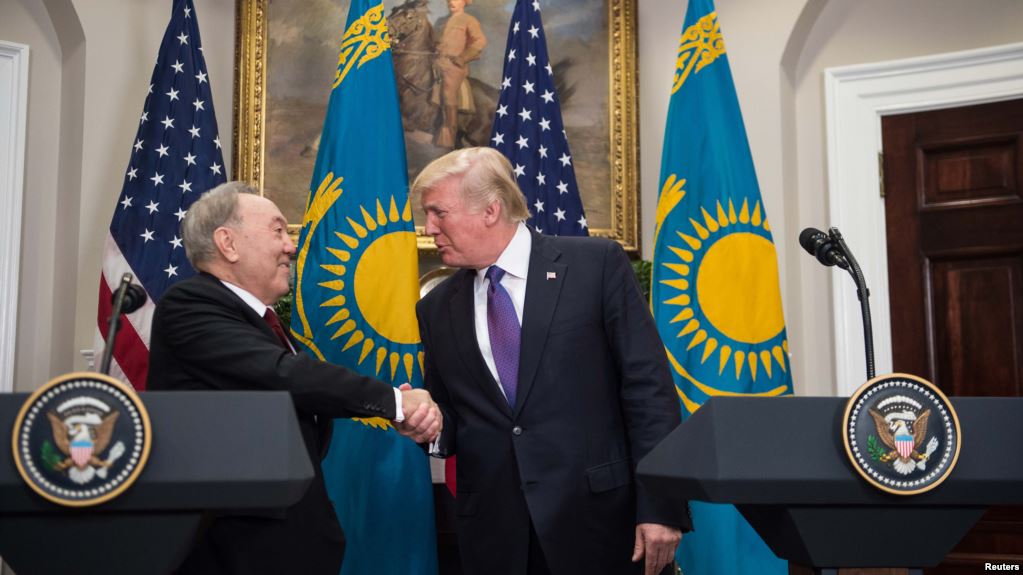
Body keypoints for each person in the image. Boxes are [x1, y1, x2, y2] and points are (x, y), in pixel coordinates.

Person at [412, 147, 690, 575]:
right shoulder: (436, 308)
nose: (429, 227)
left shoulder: (595, 266)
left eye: (438, 213)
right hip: (495, 537)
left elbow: (648, 392)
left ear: (490, 210)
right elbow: (454, 416)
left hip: (599, 526)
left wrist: (661, 506)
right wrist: (427, 422)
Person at [147, 182, 440, 575]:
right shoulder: (190, 305)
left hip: (284, 538)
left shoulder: (261, 322)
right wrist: (397, 403)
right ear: (228, 243)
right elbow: (283, 374)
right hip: (235, 546)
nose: (291, 246)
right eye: (278, 230)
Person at [433, 0, 486, 148]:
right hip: (436, 62)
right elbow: (433, 41)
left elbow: (480, 41)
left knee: (448, 91)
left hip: (454, 66)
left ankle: (448, 134)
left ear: (464, 2)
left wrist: (463, 58)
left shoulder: (469, 20)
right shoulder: (440, 21)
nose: (451, 2)